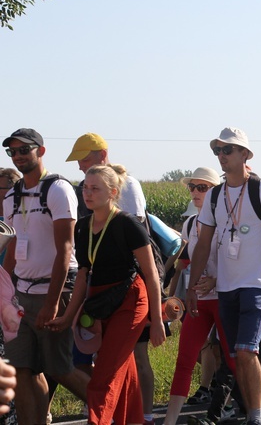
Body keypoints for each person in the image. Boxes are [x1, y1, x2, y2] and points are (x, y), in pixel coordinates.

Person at [186, 127, 261, 425]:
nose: (221, 156)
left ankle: (256, 416)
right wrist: (193, 286)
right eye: (218, 150)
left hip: (257, 284)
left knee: (246, 352)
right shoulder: (215, 196)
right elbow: (204, 243)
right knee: (234, 356)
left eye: (228, 150)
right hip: (226, 287)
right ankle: (251, 412)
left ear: (245, 154)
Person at [48, 164, 165, 423]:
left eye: (95, 189)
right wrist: (68, 317)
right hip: (102, 302)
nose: (87, 194)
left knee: (103, 374)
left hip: (131, 301)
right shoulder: (83, 226)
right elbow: (82, 275)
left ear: (112, 192)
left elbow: (152, 275)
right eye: (85, 188)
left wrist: (156, 321)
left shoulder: (127, 224)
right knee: (124, 368)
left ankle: (98, 421)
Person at [2, 128, 89, 424]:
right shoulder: (12, 195)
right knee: (23, 369)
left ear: (41, 150)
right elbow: (13, 248)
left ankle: (116, 412)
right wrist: (5, 292)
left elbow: (65, 249)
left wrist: (53, 303)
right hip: (20, 295)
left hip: (55, 291)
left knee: (59, 368)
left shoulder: (58, 189)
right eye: (12, 152)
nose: (18, 157)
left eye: (24, 150)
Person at [164, 167, 236, 425]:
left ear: (215, 191)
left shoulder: (229, 220)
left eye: (201, 187)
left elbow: (239, 260)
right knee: (184, 360)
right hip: (200, 301)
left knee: (232, 359)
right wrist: (179, 292)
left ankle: (251, 410)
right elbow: (185, 261)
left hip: (226, 297)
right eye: (192, 187)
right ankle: (170, 421)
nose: (195, 192)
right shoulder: (190, 224)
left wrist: (216, 279)